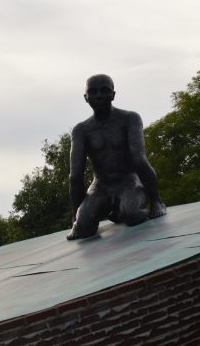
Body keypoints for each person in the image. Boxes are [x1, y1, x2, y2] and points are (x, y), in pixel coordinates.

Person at [67, 74, 166, 240]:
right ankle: (110, 210)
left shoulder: (130, 119)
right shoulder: (81, 130)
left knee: (133, 215)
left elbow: (139, 159)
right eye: (93, 92)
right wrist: (76, 218)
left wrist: (155, 200)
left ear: (113, 94)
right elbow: (75, 175)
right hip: (100, 186)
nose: (98, 95)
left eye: (104, 91)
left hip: (128, 181)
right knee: (83, 228)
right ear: (86, 97)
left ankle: (131, 206)